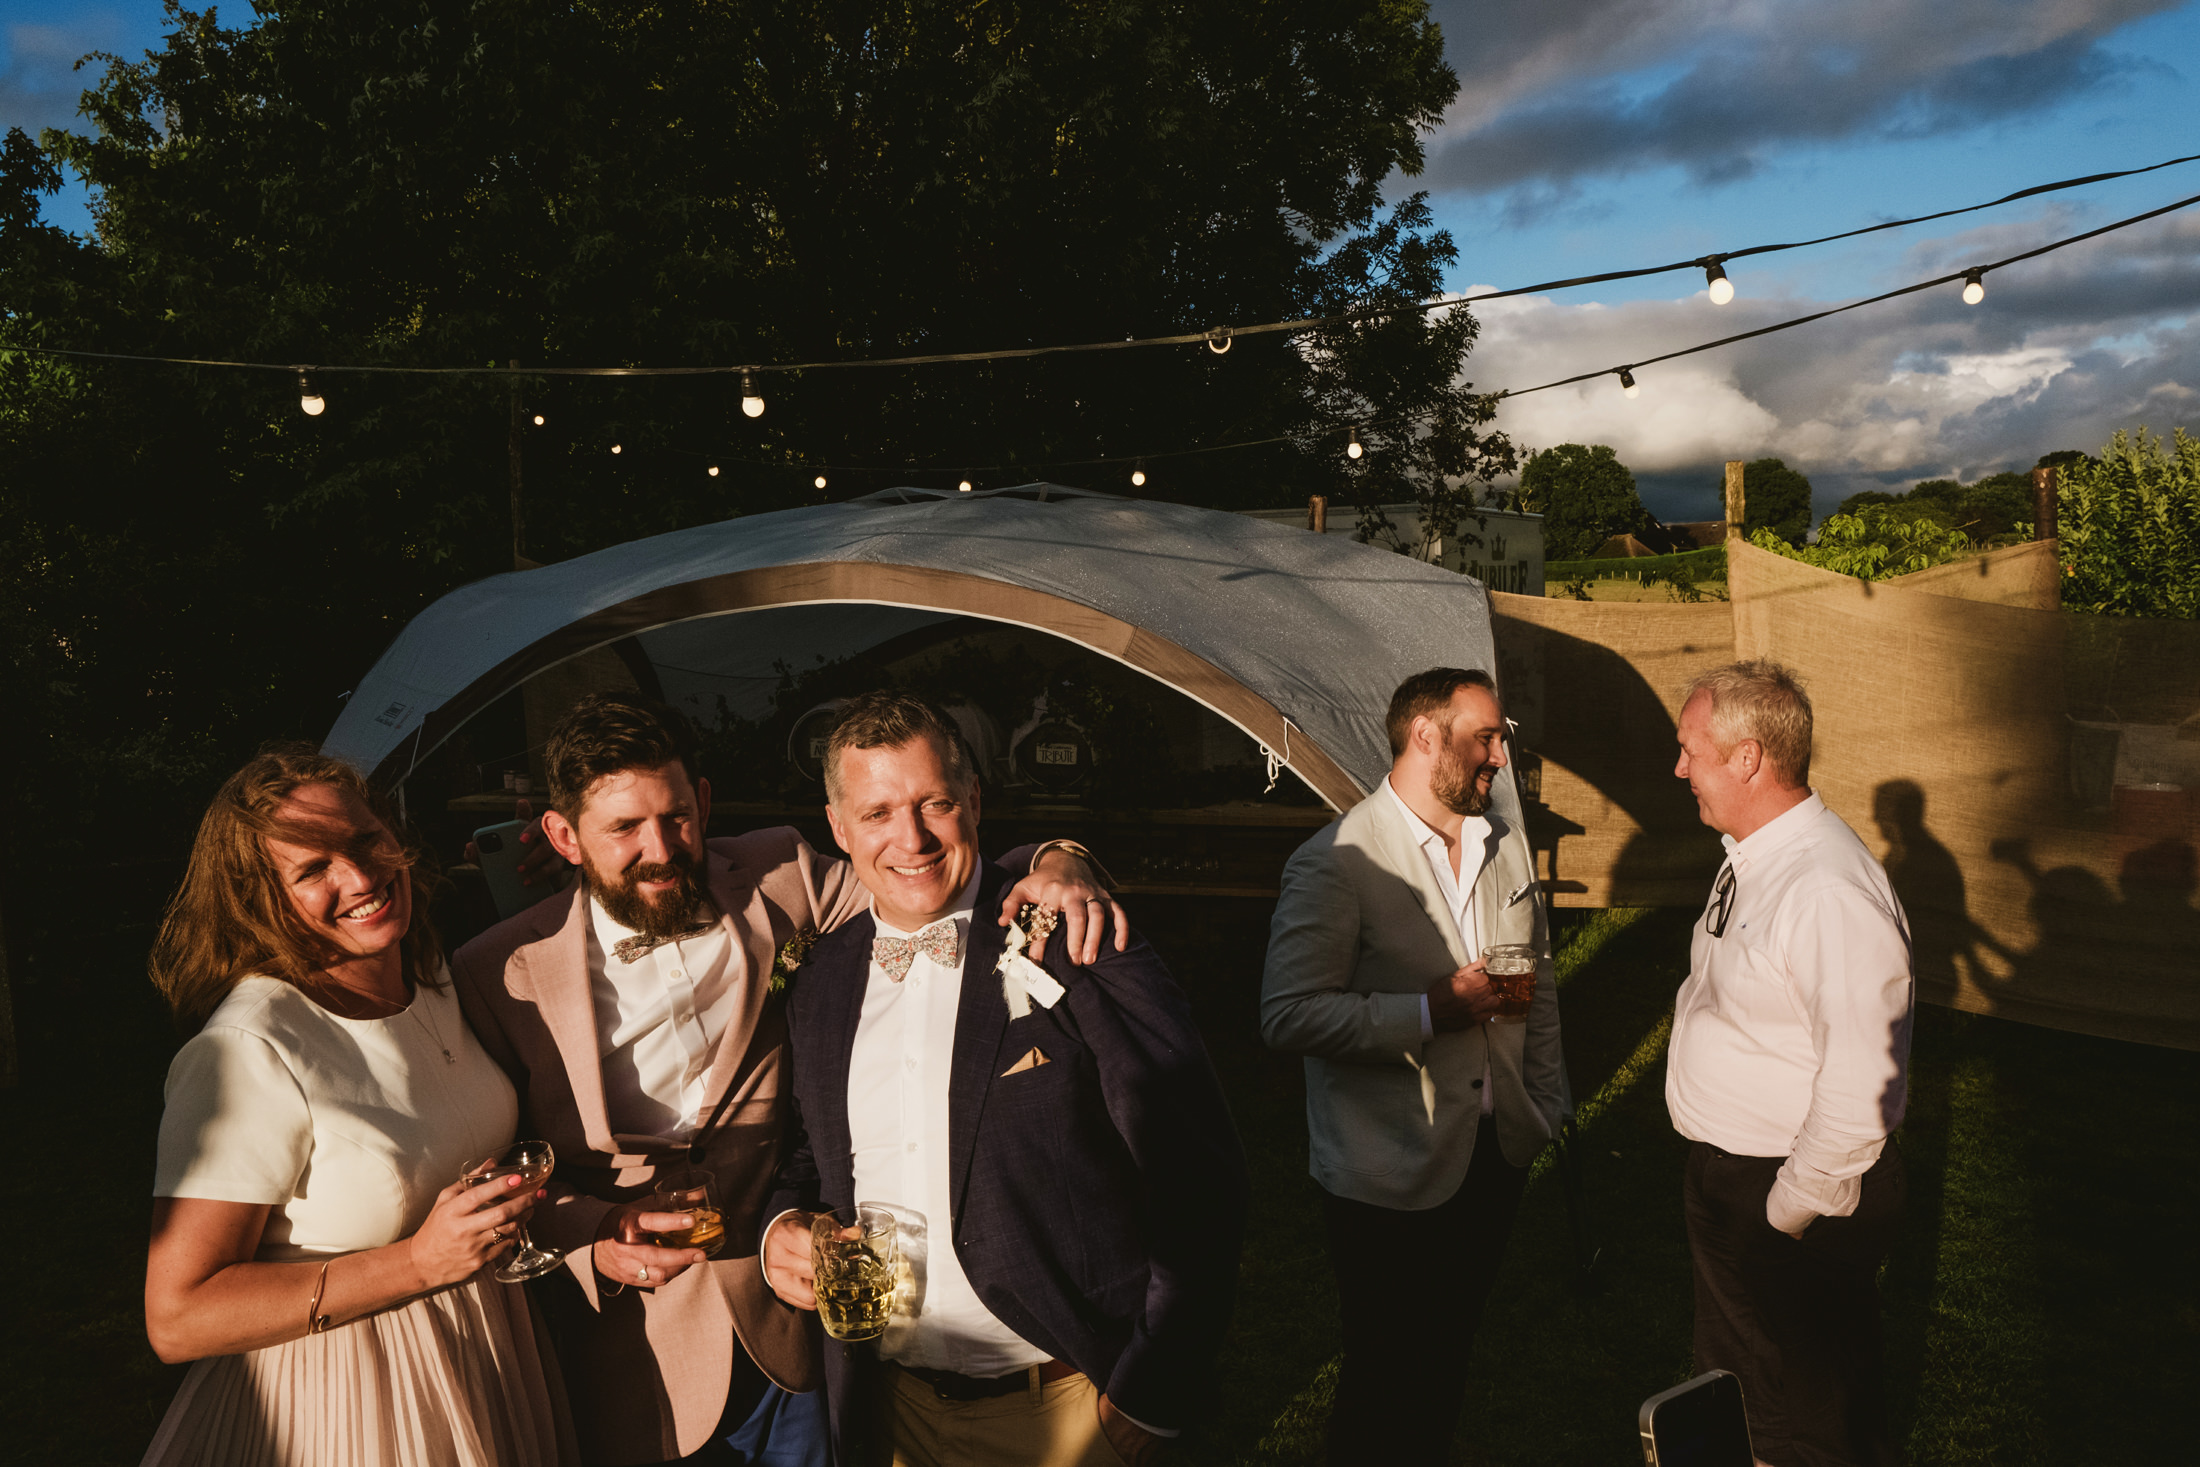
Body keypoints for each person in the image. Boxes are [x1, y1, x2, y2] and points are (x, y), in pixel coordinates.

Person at [452, 693, 1123, 1467]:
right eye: (624, 829)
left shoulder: (781, 875)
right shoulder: (500, 974)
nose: (662, 848)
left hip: (793, 1329)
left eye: (675, 816)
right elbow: (494, 1170)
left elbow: (920, 863)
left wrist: (1055, 857)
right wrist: (593, 1234)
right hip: (630, 1352)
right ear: (564, 836)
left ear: (702, 801)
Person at [759, 690, 1248, 1467]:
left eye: (935, 803)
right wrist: (780, 1226)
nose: (911, 837)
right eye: (879, 812)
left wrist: (1146, 1399)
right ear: (839, 828)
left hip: (1069, 1405)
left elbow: (1201, 1173)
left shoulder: (1071, 933)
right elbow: (809, 1151)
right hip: (890, 1412)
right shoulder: (820, 980)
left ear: (976, 801)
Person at [141, 745, 577, 1467]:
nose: (362, 876)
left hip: (490, 1353)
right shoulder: (248, 1047)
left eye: (365, 840)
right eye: (313, 869)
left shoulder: (430, 969)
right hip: (347, 1402)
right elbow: (177, 1314)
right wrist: (417, 1261)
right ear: (260, 900)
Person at [1260, 666, 1566, 1466]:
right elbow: (1287, 1013)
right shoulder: (1337, 859)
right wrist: (1430, 1011)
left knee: (1450, 1348)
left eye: (1501, 738)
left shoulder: (1503, 839)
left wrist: (1546, 1096)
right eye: (1487, 737)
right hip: (1385, 1166)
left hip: (1494, 1149)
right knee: (1383, 1370)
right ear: (1426, 735)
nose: (1500, 755)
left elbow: (1540, 976)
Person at [1667, 660, 1912, 1467]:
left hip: (1789, 1192)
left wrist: (1785, 1211)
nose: (1679, 769)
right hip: (1733, 1175)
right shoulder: (1752, 854)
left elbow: (1861, 1082)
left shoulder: (1826, 889)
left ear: (1746, 759)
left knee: (1806, 1421)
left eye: (1690, 750)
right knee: (1749, 1402)